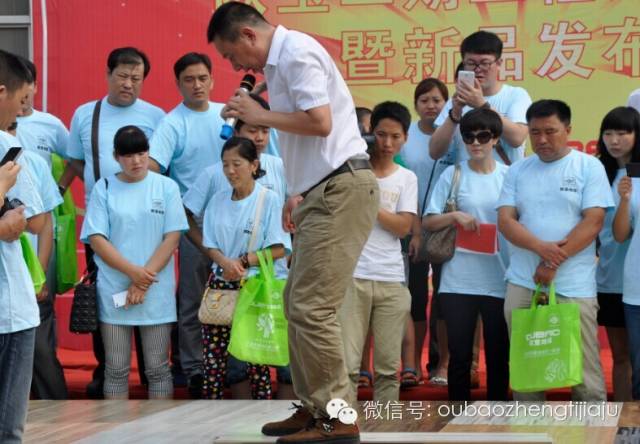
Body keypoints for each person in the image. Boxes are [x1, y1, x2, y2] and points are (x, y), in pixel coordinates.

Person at [207, 3, 378, 442]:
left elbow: (320, 123)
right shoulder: (279, 63)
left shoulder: (297, 52)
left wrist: (257, 115)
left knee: (312, 307)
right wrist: (296, 192)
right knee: (296, 304)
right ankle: (315, 407)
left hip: (340, 189)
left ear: (248, 35)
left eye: (231, 55)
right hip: (321, 191)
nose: (235, 67)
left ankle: (338, 418)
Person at [498, 99, 613, 401]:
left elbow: (593, 221)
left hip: (573, 285)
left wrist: (551, 264)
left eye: (550, 131)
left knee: (585, 371)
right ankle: (529, 426)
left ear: (568, 130)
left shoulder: (588, 166)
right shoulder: (518, 170)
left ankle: (593, 426)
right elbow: (506, 221)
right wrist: (540, 248)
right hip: (523, 282)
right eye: (535, 132)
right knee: (526, 370)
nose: (542, 140)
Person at [67, 46, 165, 398]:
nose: (128, 84)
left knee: (146, 292)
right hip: (104, 225)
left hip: (148, 225)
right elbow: (77, 162)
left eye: (136, 78)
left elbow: (162, 166)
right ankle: (108, 369)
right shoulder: (85, 115)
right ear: (108, 74)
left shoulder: (156, 116)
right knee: (107, 298)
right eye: (122, 76)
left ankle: (152, 373)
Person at [183, 94, 292, 399]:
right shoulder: (216, 191)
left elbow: (283, 241)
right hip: (223, 284)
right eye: (252, 129)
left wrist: (242, 261)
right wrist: (221, 261)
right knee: (221, 360)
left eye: (265, 130)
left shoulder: (278, 174)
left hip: (264, 284)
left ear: (253, 165)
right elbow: (201, 230)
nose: (259, 137)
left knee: (266, 355)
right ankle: (223, 415)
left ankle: (274, 414)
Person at [80, 125, 188, 399]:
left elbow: (172, 237)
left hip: (155, 291)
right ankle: (116, 426)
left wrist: (142, 281)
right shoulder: (104, 187)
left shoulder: (166, 186)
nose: (136, 161)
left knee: (158, 369)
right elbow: (97, 239)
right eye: (128, 155)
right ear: (116, 157)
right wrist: (132, 273)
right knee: (116, 369)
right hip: (114, 290)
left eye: (141, 153)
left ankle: (158, 426)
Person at [148, 52, 226, 398]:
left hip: (235, 218)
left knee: (235, 295)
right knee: (195, 298)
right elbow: (153, 168)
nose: (197, 85)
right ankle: (194, 368)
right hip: (194, 223)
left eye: (202, 78)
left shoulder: (228, 115)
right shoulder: (172, 123)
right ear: (178, 84)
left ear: (212, 80)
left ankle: (233, 365)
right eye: (189, 80)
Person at [424, 108, 510, 401]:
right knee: (459, 356)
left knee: (499, 355)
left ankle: (499, 416)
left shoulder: (509, 176)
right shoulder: (453, 173)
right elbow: (428, 220)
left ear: (495, 139)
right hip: (458, 280)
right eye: (468, 136)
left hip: (500, 277)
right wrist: (455, 216)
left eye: (483, 136)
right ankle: (456, 416)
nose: (475, 142)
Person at [340, 101, 416, 402]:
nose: (387, 143)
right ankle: (342, 423)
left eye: (395, 136)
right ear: (370, 133)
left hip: (390, 278)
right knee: (347, 367)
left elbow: (403, 227)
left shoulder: (406, 178)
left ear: (405, 138)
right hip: (352, 276)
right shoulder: (352, 171)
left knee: (387, 369)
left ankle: (386, 425)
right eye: (381, 134)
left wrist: (371, 202)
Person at [0, 48, 46, 443]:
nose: (21, 111)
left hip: (12, 305)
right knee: (8, 430)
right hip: (9, 312)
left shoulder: (7, 145)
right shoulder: (4, 146)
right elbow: (26, 222)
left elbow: (28, 220)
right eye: (21, 100)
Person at [399, 77, 451, 387]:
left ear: (447, 103)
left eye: (437, 100)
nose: (431, 105)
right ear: (416, 104)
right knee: (415, 296)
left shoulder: (454, 133)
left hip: (446, 227)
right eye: (424, 100)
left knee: (445, 297)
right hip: (410, 226)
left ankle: (441, 364)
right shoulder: (406, 136)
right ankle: (413, 364)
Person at [9, 120, 66, 400]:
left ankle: (57, 407)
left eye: (11, 130)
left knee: (39, 348)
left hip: (27, 271)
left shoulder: (33, 163)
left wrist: (40, 274)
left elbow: (43, 225)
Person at [430, 31, 531, 166]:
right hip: (466, 178)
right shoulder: (458, 100)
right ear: (464, 63)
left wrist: (482, 105)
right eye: (471, 63)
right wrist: (455, 114)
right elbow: (435, 152)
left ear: (499, 63)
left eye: (485, 63)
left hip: (506, 178)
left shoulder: (516, 95)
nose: (478, 69)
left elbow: (517, 138)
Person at [595, 107, 640, 401]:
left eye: (623, 133)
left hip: (636, 279)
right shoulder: (597, 171)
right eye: (608, 133)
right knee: (620, 355)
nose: (614, 140)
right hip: (609, 277)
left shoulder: (637, 173)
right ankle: (624, 416)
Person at [612, 147, 640, 401]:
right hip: (636, 291)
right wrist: (624, 199)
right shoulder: (635, 179)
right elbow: (620, 235)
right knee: (638, 371)